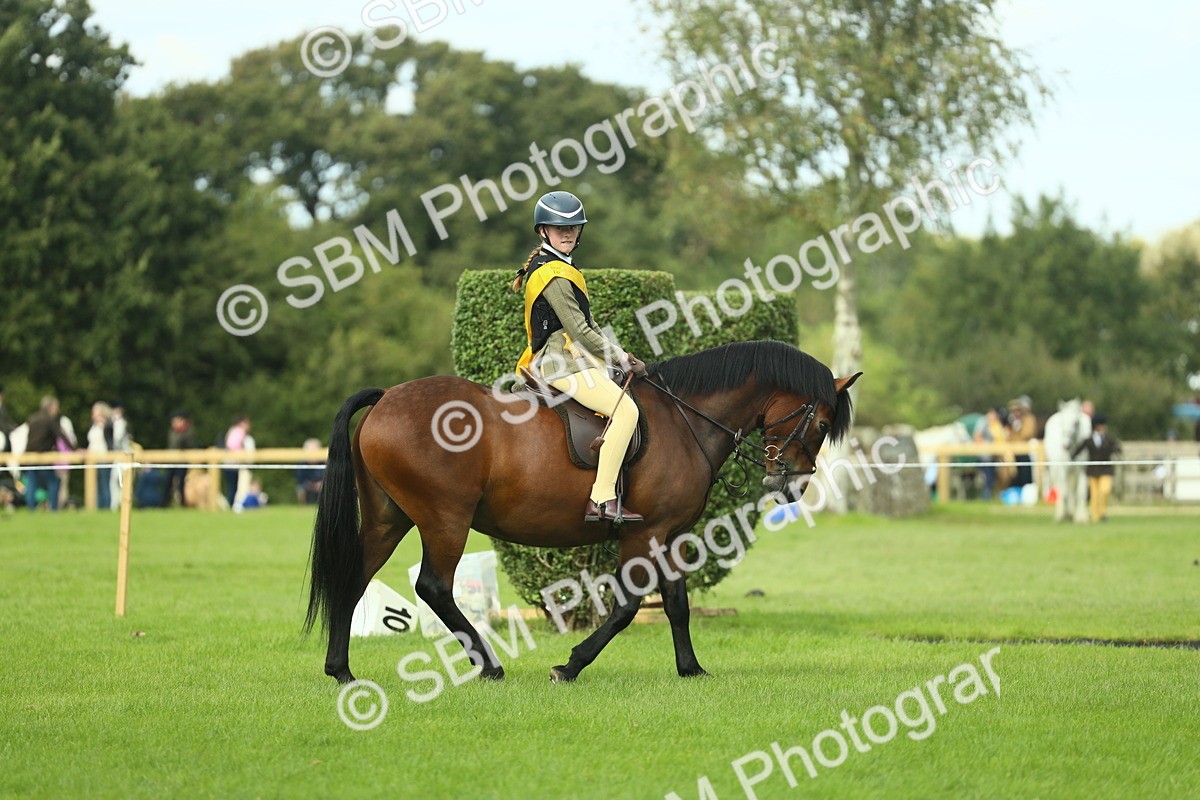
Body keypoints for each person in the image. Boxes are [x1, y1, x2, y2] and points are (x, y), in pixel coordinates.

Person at [512, 190, 647, 523]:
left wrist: (618, 355)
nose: (568, 234)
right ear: (543, 231)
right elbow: (581, 331)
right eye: (560, 228)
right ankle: (602, 499)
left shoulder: (561, 266)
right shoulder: (552, 274)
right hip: (562, 363)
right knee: (626, 412)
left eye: (573, 228)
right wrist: (622, 359)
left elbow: (590, 324)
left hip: (572, 357)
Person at [1071, 414, 1122, 522]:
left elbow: (1117, 448)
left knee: (1105, 490)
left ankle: (1103, 511)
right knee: (1094, 494)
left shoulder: (1109, 439)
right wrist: (1072, 457)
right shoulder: (1089, 440)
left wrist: (1116, 451)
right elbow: (1079, 450)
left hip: (1106, 469)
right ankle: (1095, 516)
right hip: (1093, 470)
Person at [23, 396, 65, 510]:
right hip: (43, 456)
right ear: (50, 407)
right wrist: (75, 449)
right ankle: (53, 507)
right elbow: (61, 436)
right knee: (53, 482)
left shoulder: (32, 418)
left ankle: (31, 509)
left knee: (32, 483)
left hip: (29, 456)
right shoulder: (49, 420)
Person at [86, 401, 114, 510]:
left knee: (104, 483)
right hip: (92, 458)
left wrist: (104, 425)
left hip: (104, 458)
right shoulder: (92, 425)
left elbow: (110, 441)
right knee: (96, 485)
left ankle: (106, 506)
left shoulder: (108, 425)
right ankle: (97, 507)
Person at [166, 411, 197, 507]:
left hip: (182, 461)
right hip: (172, 460)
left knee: (181, 482)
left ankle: (183, 503)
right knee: (168, 481)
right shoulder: (172, 432)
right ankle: (166, 502)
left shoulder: (188, 432)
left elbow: (191, 446)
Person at [223, 416, 252, 508]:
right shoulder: (239, 432)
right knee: (233, 487)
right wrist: (242, 457)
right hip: (233, 463)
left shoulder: (232, 431)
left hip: (229, 463)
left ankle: (231, 504)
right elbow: (232, 446)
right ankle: (231, 505)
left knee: (232, 486)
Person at [295, 438, 324, 504]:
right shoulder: (302, 464)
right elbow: (301, 479)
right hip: (308, 486)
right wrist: (312, 485)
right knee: (300, 489)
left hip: (322, 486)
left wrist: (322, 483)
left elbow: (328, 477)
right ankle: (303, 507)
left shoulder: (324, 463)